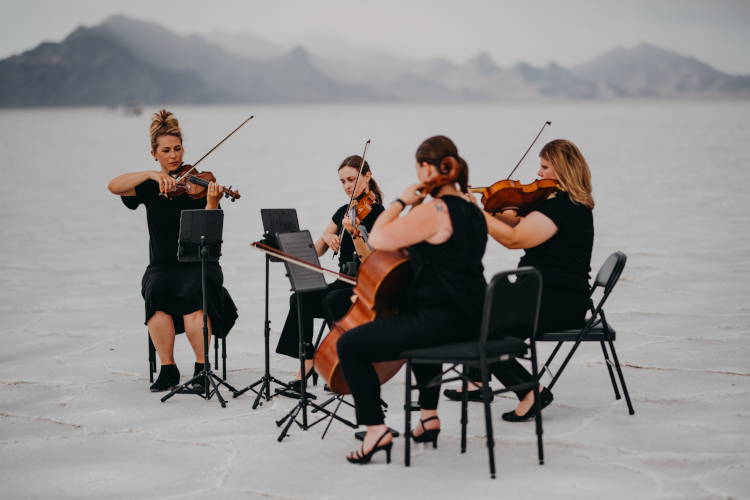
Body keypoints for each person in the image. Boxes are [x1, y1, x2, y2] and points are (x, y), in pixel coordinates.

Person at [336, 136, 487, 464]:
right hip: (473, 318)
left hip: (442, 321)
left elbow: (378, 237)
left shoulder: (435, 209)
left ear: (426, 168)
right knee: (414, 322)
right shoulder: (472, 208)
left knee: (350, 345)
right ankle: (428, 417)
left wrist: (401, 202)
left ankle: (375, 430)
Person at [107, 109, 238, 392]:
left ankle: (202, 369)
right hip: (162, 265)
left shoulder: (199, 185)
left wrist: (212, 202)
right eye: (166, 150)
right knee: (155, 292)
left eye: (178, 149)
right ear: (155, 154)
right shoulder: (148, 187)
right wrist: (150, 175)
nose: (174, 156)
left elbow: (211, 235)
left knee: (194, 296)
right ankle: (168, 368)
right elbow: (113, 186)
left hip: (199, 263)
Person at [467, 138, 595, 421]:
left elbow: (515, 240)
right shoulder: (556, 204)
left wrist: (477, 213)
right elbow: (518, 226)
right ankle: (479, 379)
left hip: (557, 302)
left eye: (545, 167)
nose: (538, 174)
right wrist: (499, 213)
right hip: (545, 294)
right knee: (476, 315)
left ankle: (528, 390)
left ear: (563, 169)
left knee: (476, 325)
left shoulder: (565, 208)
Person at [274, 155, 384, 395]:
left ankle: (341, 364)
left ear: (367, 176)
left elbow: (370, 259)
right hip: (342, 280)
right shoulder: (343, 212)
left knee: (333, 300)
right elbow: (317, 250)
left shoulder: (379, 214)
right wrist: (326, 238)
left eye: (352, 180)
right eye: (342, 181)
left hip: (365, 286)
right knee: (300, 297)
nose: (347, 186)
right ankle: (307, 361)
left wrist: (355, 234)